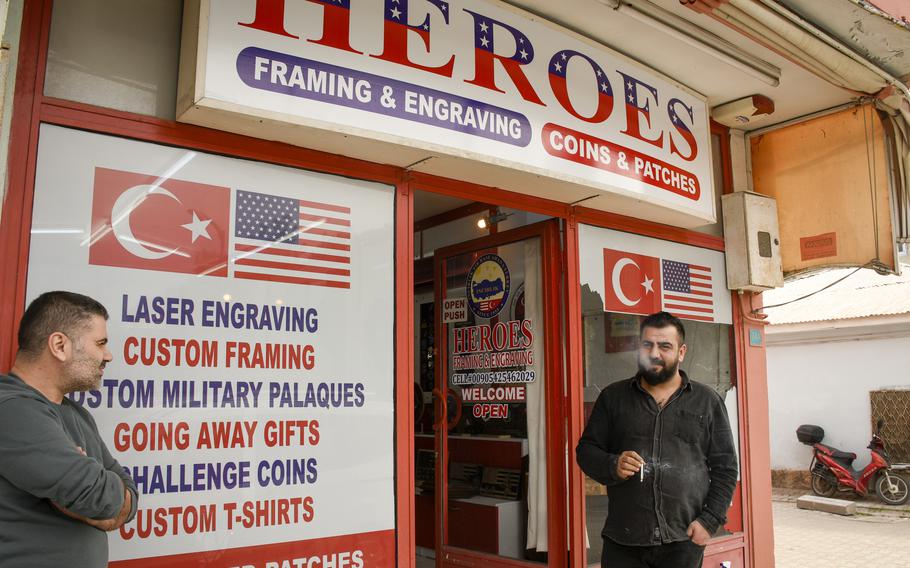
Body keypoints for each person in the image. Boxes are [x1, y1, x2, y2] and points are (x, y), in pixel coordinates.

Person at [576, 311, 737, 568]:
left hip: (682, 541)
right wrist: (612, 465)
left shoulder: (707, 401)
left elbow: (726, 469)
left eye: (665, 346)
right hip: (624, 541)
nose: (655, 353)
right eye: (647, 345)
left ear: (681, 352)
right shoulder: (613, 398)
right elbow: (586, 451)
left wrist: (709, 521)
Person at [0, 291, 138, 567]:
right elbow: (97, 495)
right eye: (100, 343)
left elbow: (128, 495)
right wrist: (93, 488)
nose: (108, 355)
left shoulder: (76, 414)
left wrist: (87, 493)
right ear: (59, 345)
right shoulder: (12, 410)